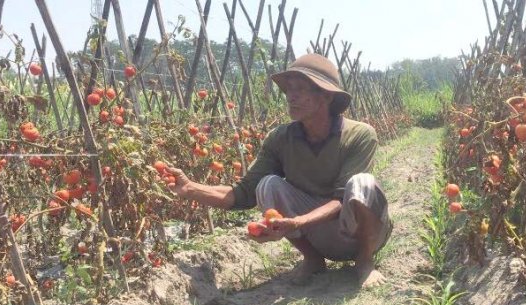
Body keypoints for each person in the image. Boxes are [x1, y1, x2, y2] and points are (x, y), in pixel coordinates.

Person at [166, 53, 392, 288]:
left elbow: (340, 199)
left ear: (325, 96)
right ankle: (313, 259)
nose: (290, 97)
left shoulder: (360, 134)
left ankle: (364, 261)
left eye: (300, 90)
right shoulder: (280, 139)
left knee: (362, 183)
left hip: (362, 233)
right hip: (318, 234)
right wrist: (190, 188)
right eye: (288, 90)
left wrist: (298, 222)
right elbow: (243, 195)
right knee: (267, 185)